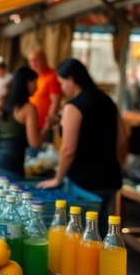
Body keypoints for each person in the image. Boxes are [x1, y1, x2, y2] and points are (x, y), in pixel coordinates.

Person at [38, 58, 127, 235]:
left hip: (84, 181)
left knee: (85, 233)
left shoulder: (74, 106)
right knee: (102, 227)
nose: (62, 89)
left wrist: (57, 178)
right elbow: (123, 139)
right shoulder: (107, 100)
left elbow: (68, 149)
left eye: (62, 83)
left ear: (71, 79)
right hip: (111, 178)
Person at [0, 67, 56, 181]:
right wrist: (48, 126)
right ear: (27, 82)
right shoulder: (28, 108)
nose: (37, 87)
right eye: (35, 82)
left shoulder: (0, 101)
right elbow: (34, 143)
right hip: (11, 166)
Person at [28, 49, 62, 130]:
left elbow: (55, 102)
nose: (34, 64)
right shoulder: (35, 77)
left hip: (44, 126)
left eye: (36, 60)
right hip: (32, 123)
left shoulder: (52, 76)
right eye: (31, 61)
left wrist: (47, 125)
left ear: (44, 60)